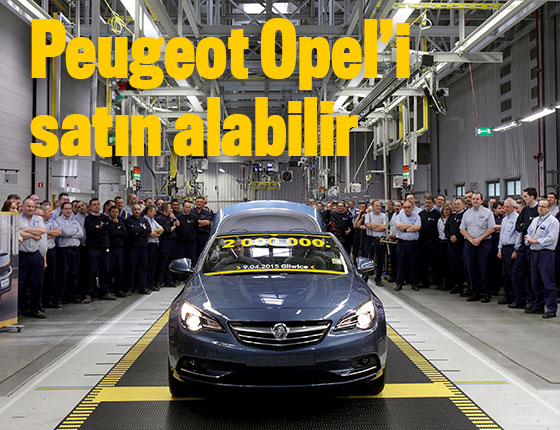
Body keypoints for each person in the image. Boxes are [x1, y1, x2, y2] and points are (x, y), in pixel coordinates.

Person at [524, 199, 559, 318]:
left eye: (544, 206)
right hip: (534, 253)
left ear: (549, 208)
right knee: (536, 281)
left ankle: (551, 308)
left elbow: (552, 238)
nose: (541, 208)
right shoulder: (535, 220)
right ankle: (538, 306)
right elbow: (529, 232)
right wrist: (528, 239)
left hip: (546, 253)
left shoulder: (553, 221)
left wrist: (537, 241)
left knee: (548, 281)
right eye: (539, 206)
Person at [460, 192, 496, 302]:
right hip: (470, 243)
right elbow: (462, 229)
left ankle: (486, 293)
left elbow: (492, 228)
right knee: (471, 268)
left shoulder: (487, 212)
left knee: (484, 268)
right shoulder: (467, 213)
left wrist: (479, 239)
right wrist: (471, 240)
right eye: (473, 199)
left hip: (484, 243)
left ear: (481, 201)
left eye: (477, 199)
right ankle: (475, 292)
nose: (475, 201)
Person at [510, 187, 539, 309]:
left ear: (532, 196)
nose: (524, 198)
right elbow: (518, 225)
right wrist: (524, 226)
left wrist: (525, 225)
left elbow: (533, 226)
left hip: (533, 246)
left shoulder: (538, 209)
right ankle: (520, 299)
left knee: (532, 274)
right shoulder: (525, 210)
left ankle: (533, 301)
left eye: (526, 196)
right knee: (516, 272)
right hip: (523, 245)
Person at [18, 198, 46, 318]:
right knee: (21, 284)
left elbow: (42, 231)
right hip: (22, 255)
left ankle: (36, 308)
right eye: (28, 206)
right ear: (22, 207)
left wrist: (25, 231)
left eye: (32, 207)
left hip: (35, 254)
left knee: (37, 283)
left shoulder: (38, 218)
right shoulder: (17, 218)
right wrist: (33, 235)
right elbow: (17, 233)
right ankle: (23, 308)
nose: (30, 209)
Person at [84, 198, 113, 302]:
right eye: (94, 205)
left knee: (105, 271)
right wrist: (103, 228)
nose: (96, 206)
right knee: (91, 271)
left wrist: (100, 228)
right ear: (90, 207)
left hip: (104, 248)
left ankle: (104, 291)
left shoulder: (104, 217)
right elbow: (91, 231)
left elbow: (110, 228)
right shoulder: (88, 219)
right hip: (93, 248)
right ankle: (89, 293)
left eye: (98, 204)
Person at [56, 202, 84, 304]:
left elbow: (81, 234)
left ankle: (72, 295)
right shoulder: (58, 221)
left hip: (75, 250)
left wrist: (70, 232)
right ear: (62, 210)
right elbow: (64, 232)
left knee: (74, 273)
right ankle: (60, 297)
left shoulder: (74, 220)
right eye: (66, 209)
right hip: (64, 250)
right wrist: (74, 231)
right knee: (63, 274)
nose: (68, 211)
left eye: (70, 209)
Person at [123, 204, 152, 294]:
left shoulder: (144, 220)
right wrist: (141, 229)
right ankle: (130, 287)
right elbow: (131, 231)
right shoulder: (128, 220)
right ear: (132, 210)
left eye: (138, 209)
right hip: (132, 248)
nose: (137, 211)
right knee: (131, 268)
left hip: (143, 248)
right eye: (135, 209)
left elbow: (148, 230)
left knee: (143, 268)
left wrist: (138, 231)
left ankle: (142, 287)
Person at [394, 201, 421, 291]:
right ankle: (399, 283)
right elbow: (398, 226)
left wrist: (405, 229)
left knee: (413, 264)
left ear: (412, 207)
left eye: (408, 207)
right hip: (401, 243)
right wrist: (411, 226)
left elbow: (417, 227)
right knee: (400, 264)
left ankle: (414, 283)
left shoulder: (417, 216)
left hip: (413, 244)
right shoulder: (399, 216)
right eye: (405, 207)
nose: (407, 209)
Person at [497, 198, 519, 305]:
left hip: (512, 248)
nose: (505, 209)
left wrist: (516, 250)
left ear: (514, 207)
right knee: (505, 274)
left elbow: (518, 236)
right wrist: (499, 248)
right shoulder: (505, 219)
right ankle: (508, 295)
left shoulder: (517, 218)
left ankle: (516, 296)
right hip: (504, 248)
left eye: (507, 207)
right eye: (504, 207)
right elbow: (502, 235)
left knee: (512, 274)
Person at [41, 203, 62, 308]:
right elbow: (38, 235)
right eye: (49, 211)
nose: (51, 213)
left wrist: (44, 233)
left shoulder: (52, 221)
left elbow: (58, 232)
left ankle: (49, 299)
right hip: (41, 252)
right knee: (41, 277)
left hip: (51, 251)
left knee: (51, 276)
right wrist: (48, 233)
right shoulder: (38, 222)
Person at [445, 198, 467, 295]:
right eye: (455, 204)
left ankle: (465, 285)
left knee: (462, 266)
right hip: (452, 245)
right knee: (454, 266)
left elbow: (465, 229)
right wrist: (450, 236)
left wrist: (457, 237)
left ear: (463, 205)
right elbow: (446, 228)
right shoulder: (452, 216)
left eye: (458, 204)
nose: (456, 206)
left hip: (461, 244)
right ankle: (457, 285)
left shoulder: (465, 215)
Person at [418, 195, 440, 289]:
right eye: (426, 202)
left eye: (429, 203)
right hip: (423, 242)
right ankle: (424, 282)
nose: (428, 204)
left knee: (435, 263)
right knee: (423, 263)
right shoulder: (421, 214)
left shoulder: (437, 214)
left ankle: (437, 282)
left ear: (433, 203)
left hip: (433, 242)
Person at [155, 203, 179, 288]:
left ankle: (168, 280)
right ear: (166, 209)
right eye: (170, 208)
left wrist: (174, 218)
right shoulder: (160, 219)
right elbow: (167, 230)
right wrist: (174, 227)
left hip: (172, 241)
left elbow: (178, 224)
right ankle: (159, 281)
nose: (171, 210)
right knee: (163, 262)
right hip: (165, 241)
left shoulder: (170, 218)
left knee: (170, 261)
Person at [365, 200, 387, 286]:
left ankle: (378, 278)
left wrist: (373, 227)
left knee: (380, 259)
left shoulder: (384, 216)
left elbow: (385, 226)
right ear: (372, 206)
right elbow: (367, 225)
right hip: (370, 239)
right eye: (376, 206)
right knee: (368, 259)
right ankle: (365, 277)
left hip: (380, 239)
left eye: (379, 206)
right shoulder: (368, 215)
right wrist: (379, 225)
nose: (378, 207)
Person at [107, 205, 127, 297]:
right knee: (110, 270)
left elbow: (125, 233)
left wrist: (118, 231)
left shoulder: (121, 222)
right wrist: (117, 230)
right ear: (109, 213)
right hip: (111, 248)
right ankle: (109, 289)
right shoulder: (108, 222)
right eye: (113, 212)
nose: (115, 214)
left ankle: (118, 289)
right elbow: (112, 232)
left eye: (116, 212)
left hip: (120, 248)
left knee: (119, 269)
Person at [143, 205, 164, 291]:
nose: (155, 213)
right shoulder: (144, 220)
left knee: (153, 265)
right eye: (154, 211)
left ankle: (150, 283)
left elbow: (162, 229)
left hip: (155, 244)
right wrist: (154, 232)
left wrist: (154, 232)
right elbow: (150, 233)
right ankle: (146, 284)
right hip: (148, 245)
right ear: (149, 212)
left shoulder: (153, 220)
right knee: (147, 266)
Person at [176, 201, 198, 265]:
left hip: (191, 242)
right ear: (183, 208)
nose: (188, 209)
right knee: (181, 259)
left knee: (192, 259)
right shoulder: (179, 217)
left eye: (189, 207)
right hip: (181, 243)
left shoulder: (193, 217)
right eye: (186, 207)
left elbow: (196, 227)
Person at [437, 203, 453, 290]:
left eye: (447, 210)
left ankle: (449, 283)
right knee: (442, 264)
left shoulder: (452, 219)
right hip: (442, 242)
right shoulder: (440, 220)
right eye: (444, 210)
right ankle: (441, 282)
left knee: (449, 264)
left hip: (449, 242)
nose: (446, 211)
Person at [387, 201, 401, 282]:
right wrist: (390, 234)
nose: (397, 207)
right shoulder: (394, 215)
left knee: (399, 260)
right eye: (395, 206)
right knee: (393, 259)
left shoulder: (402, 215)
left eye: (398, 206)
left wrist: (396, 235)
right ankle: (393, 275)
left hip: (399, 239)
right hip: (392, 240)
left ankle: (399, 277)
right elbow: (391, 226)